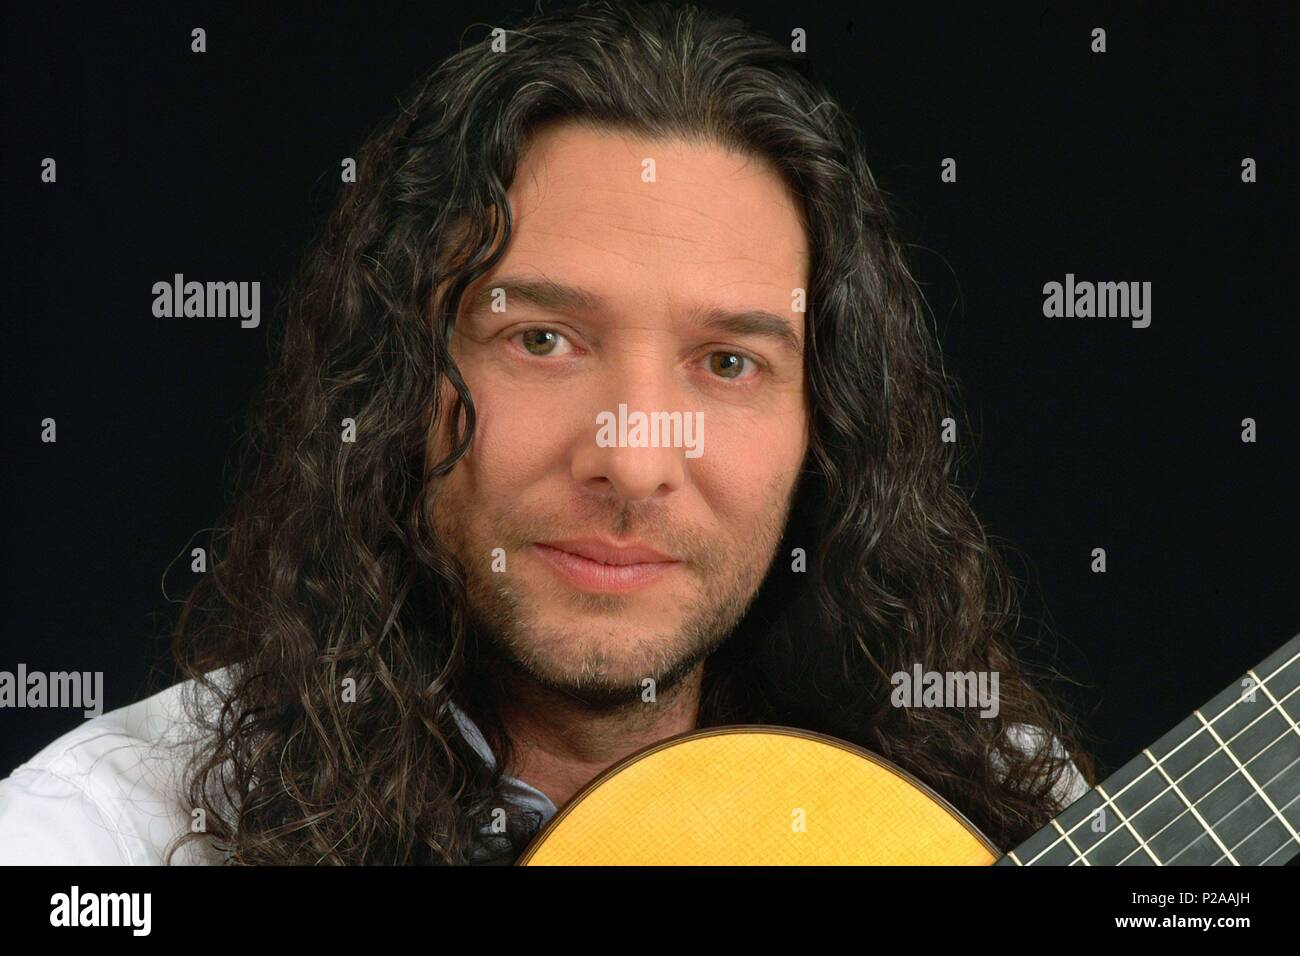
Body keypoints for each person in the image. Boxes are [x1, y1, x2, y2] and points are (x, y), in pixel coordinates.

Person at [0, 0, 1092, 865]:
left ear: (831, 428)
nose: (631, 457)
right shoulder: (100, 840)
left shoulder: (991, 806)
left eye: (727, 363)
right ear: (397, 375)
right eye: (543, 340)